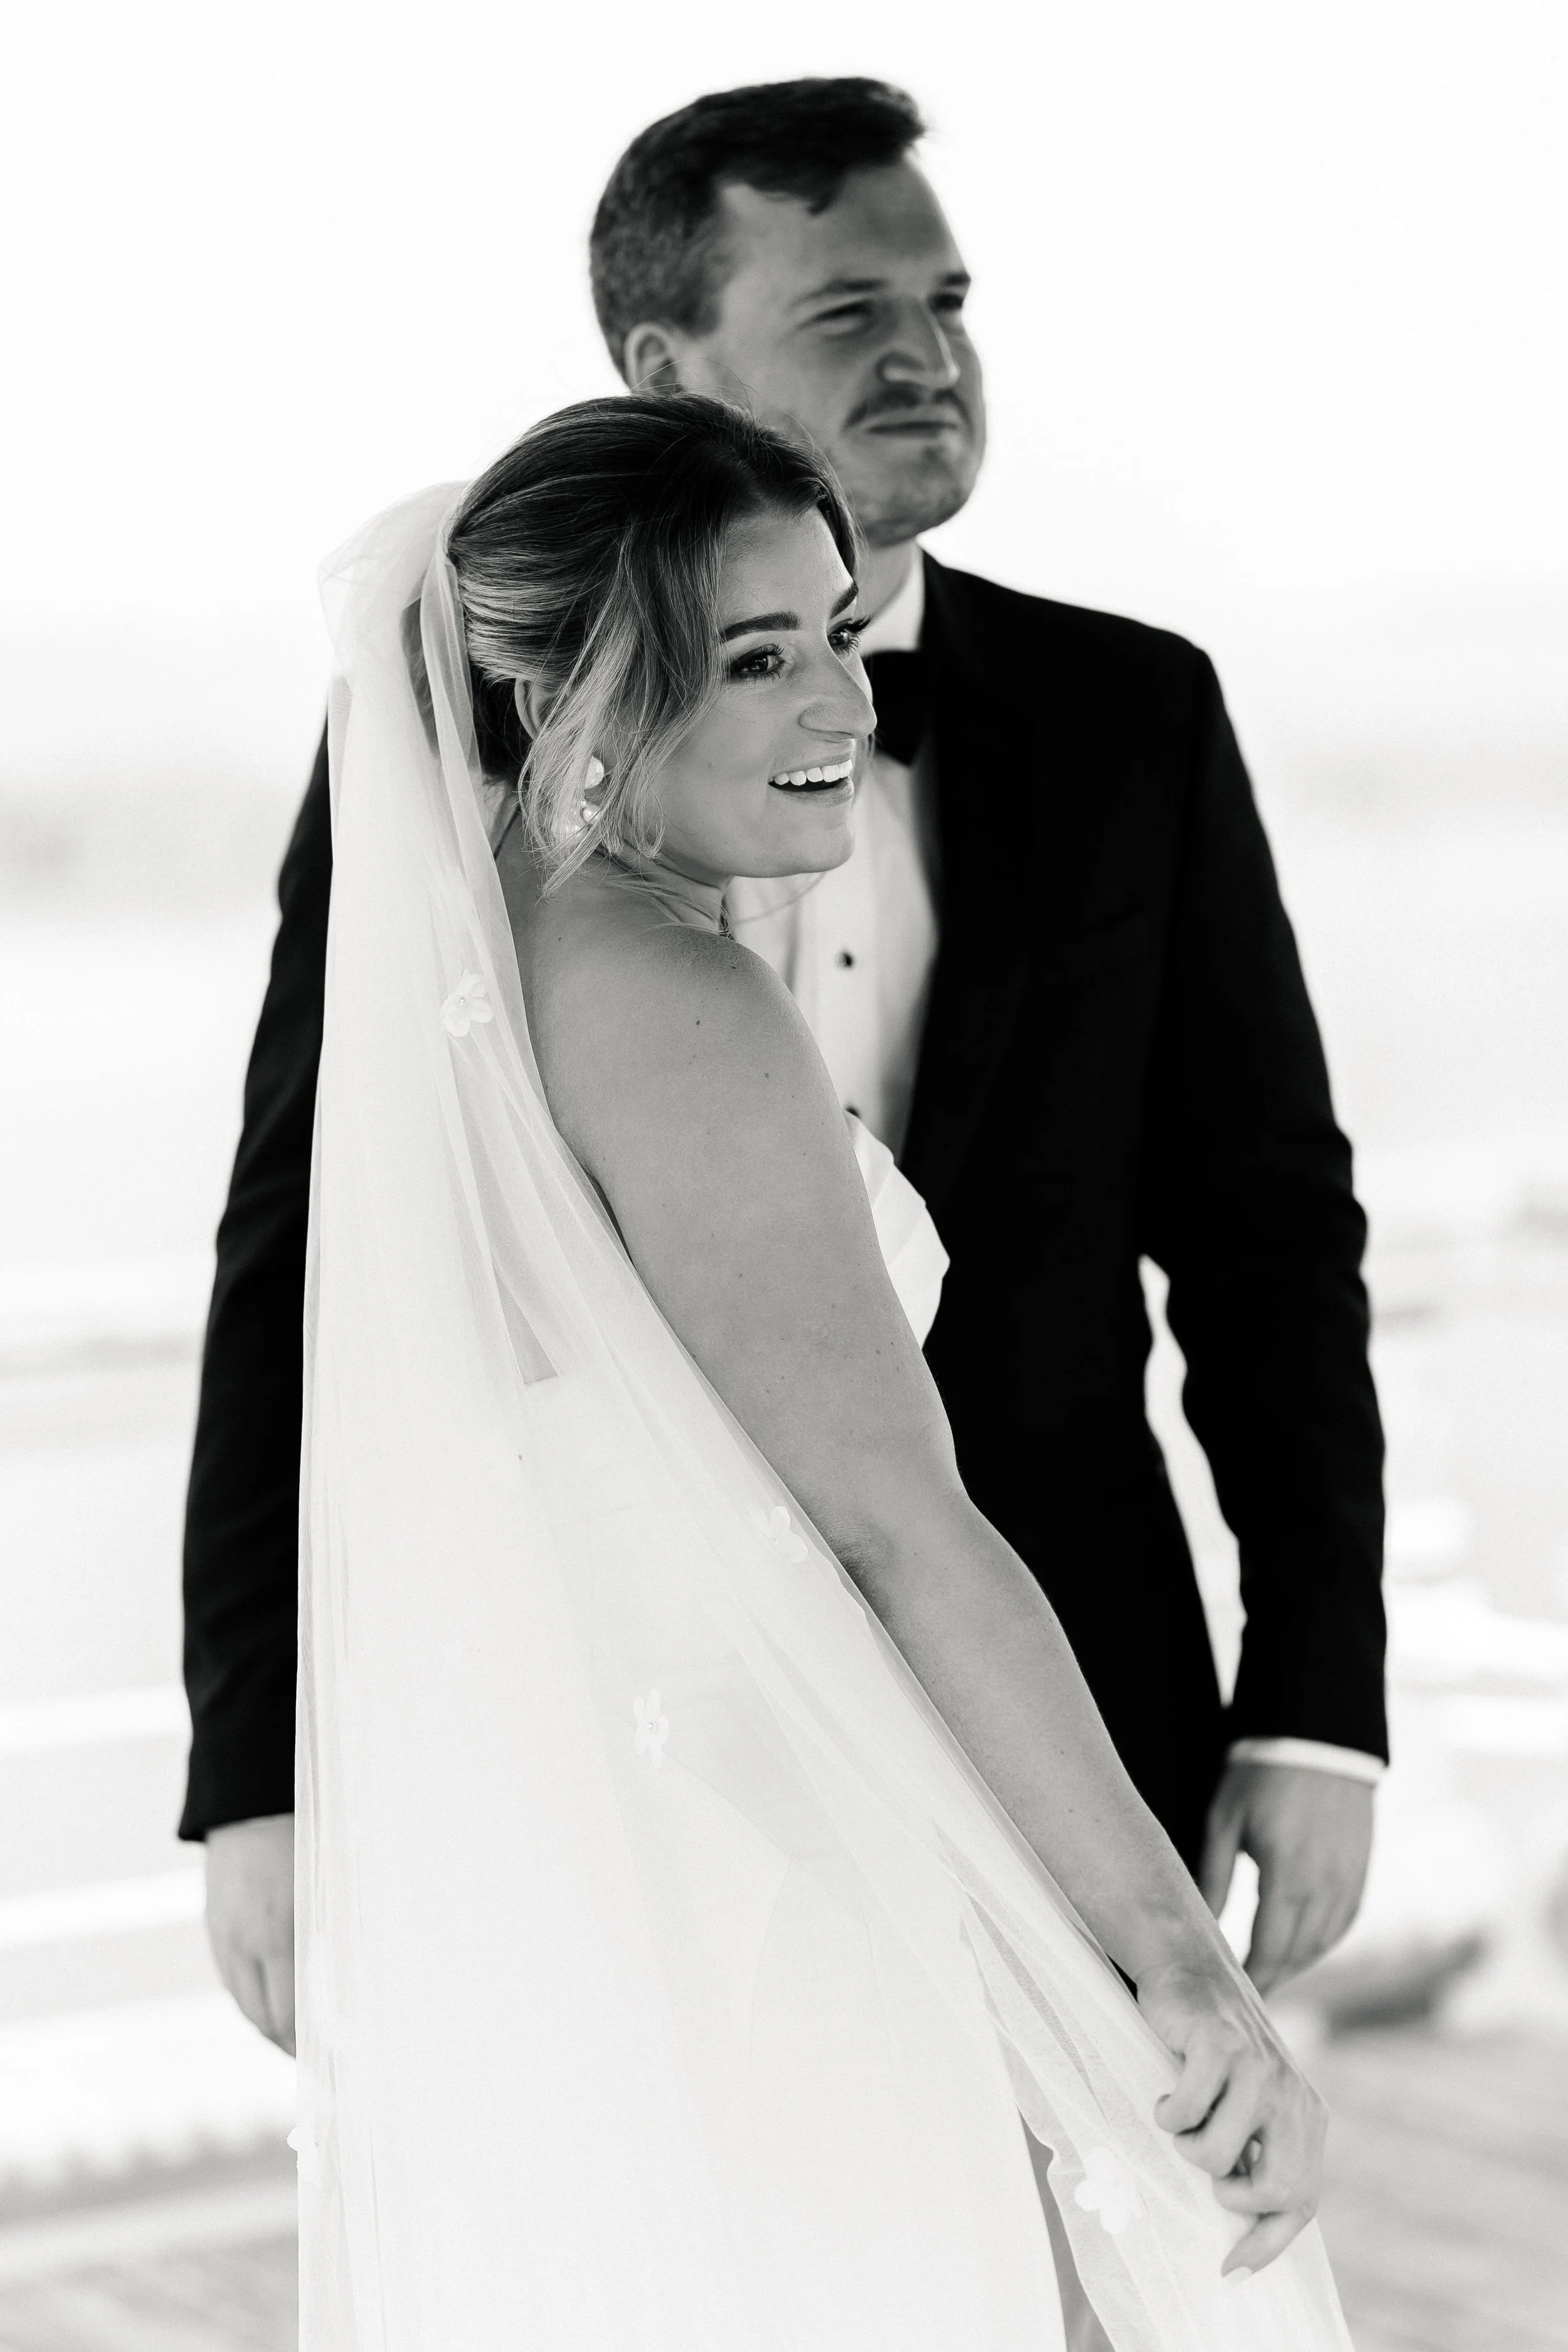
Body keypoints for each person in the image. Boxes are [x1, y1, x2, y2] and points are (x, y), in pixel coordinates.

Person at [187, 80, 1386, 2065]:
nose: (927, 354)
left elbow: (1269, 1239)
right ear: (666, 367)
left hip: (1069, 1686)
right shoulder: (427, 792)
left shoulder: (1129, 716)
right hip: (629, 1771)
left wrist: (1314, 1695)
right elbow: (306, 1246)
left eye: (948, 297)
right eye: (848, 311)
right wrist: (261, 1758)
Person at [295, 389, 1354, 2349]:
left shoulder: (487, 989)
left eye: (843, 636)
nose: (842, 711)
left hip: (641, 1856)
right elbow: (887, 1525)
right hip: (792, 1873)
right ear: (590, 693)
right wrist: (1160, 1961)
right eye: (757, 658)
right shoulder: (674, 1004)